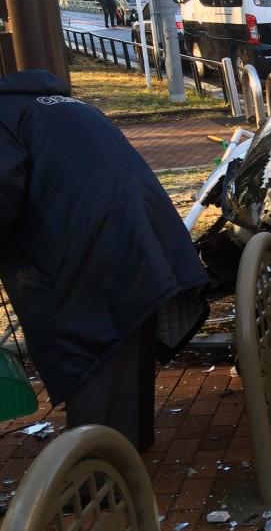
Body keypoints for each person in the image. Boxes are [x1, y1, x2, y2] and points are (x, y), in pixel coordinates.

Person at [0, 69, 208, 452]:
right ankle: (128, 450)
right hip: (143, 237)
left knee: (91, 356)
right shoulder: (63, 104)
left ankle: (102, 474)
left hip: (88, 250)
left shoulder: (6, 116)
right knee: (127, 342)